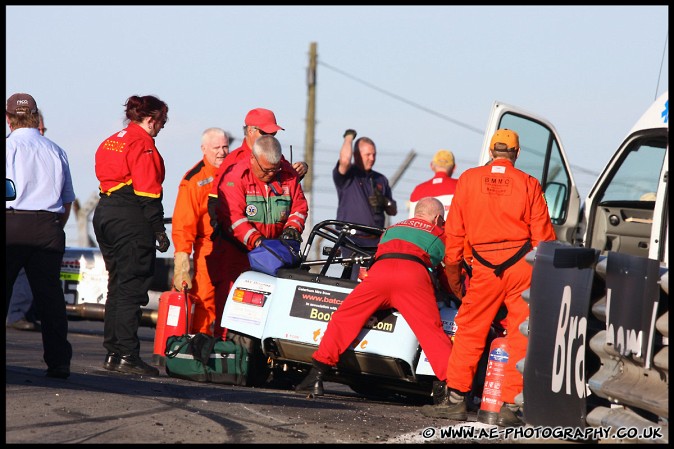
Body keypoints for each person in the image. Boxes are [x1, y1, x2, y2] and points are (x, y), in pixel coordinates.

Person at [420, 129, 556, 427]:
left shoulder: (469, 180)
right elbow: (544, 239)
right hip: (522, 268)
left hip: (483, 269)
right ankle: (509, 406)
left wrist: (455, 280)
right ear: (516, 154)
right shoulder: (529, 184)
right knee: (520, 333)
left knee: (470, 330)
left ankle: (456, 401)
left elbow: (454, 235)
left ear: (491, 152)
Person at [295, 197, 453, 396]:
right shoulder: (440, 233)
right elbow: (450, 269)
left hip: (380, 272)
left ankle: (316, 375)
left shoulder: (393, 229)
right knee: (432, 333)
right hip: (413, 277)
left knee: (344, 318)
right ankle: (452, 389)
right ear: (438, 218)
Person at [93, 94, 171, 376]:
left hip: (105, 212)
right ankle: (127, 353)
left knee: (118, 283)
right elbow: (148, 191)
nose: (162, 127)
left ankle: (113, 352)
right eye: (162, 122)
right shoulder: (142, 143)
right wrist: (158, 229)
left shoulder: (112, 140)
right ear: (151, 120)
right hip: (130, 217)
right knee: (132, 286)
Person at [207, 134, 308, 339]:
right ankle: (228, 352)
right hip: (238, 252)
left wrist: (292, 229)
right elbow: (233, 218)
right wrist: (258, 242)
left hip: (275, 254)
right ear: (253, 159)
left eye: (275, 169)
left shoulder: (287, 174)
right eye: (266, 170)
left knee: (272, 309)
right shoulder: (235, 176)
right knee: (230, 308)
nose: (271, 174)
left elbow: (299, 207)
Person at [5, 93, 75, 379]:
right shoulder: (55, 150)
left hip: (11, 225)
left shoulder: (8, 149)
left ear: (8, 119)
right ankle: (58, 363)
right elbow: (67, 200)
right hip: (48, 226)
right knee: (50, 299)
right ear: (36, 116)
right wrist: (56, 227)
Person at [207, 107, 308, 235]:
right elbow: (215, 202)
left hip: (274, 245)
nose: (270, 137)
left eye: (273, 133)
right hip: (240, 248)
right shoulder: (233, 161)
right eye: (265, 132)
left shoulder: (279, 158)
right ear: (250, 130)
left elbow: (292, 193)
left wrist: (300, 170)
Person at [172, 127, 230, 335]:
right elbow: (183, 224)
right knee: (205, 300)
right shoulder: (194, 180)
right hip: (208, 248)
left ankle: (230, 350)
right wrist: (182, 263)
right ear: (204, 149)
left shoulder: (235, 170)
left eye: (225, 147)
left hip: (237, 247)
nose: (222, 152)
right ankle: (201, 348)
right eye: (216, 148)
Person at [333, 129, 397, 278]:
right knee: (353, 279)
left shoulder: (380, 179)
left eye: (374, 154)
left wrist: (384, 201)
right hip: (351, 239)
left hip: (376, 241)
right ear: (356, 155)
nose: (372, 158)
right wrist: (349, 138)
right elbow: (344, 161)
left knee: (376, 279)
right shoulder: (348, 175)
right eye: (368, 154)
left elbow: (393, 210)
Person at [7, 109, 48, 332]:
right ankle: (18, 313)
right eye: (39, 128)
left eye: (43, 130)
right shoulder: (51, 152)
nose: (40, 132)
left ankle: (23, 312)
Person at [408, 149, 458, 219]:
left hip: (425, 230)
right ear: (454, 168)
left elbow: (412, 220)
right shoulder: (461, 185)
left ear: (431, 165)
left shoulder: (418, 189)